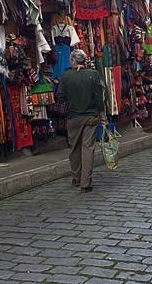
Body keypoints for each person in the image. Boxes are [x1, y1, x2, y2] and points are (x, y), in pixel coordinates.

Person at [57, 49, 106, 193]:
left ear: (73, 60)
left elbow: (60, 97)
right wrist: (102, 115)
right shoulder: (94, 75)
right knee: (88, 149)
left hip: (73, 118)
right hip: (90, 117)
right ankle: (86, 183)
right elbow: (99, 98)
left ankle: (76, 178)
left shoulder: (66, 76)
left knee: (74, 149)